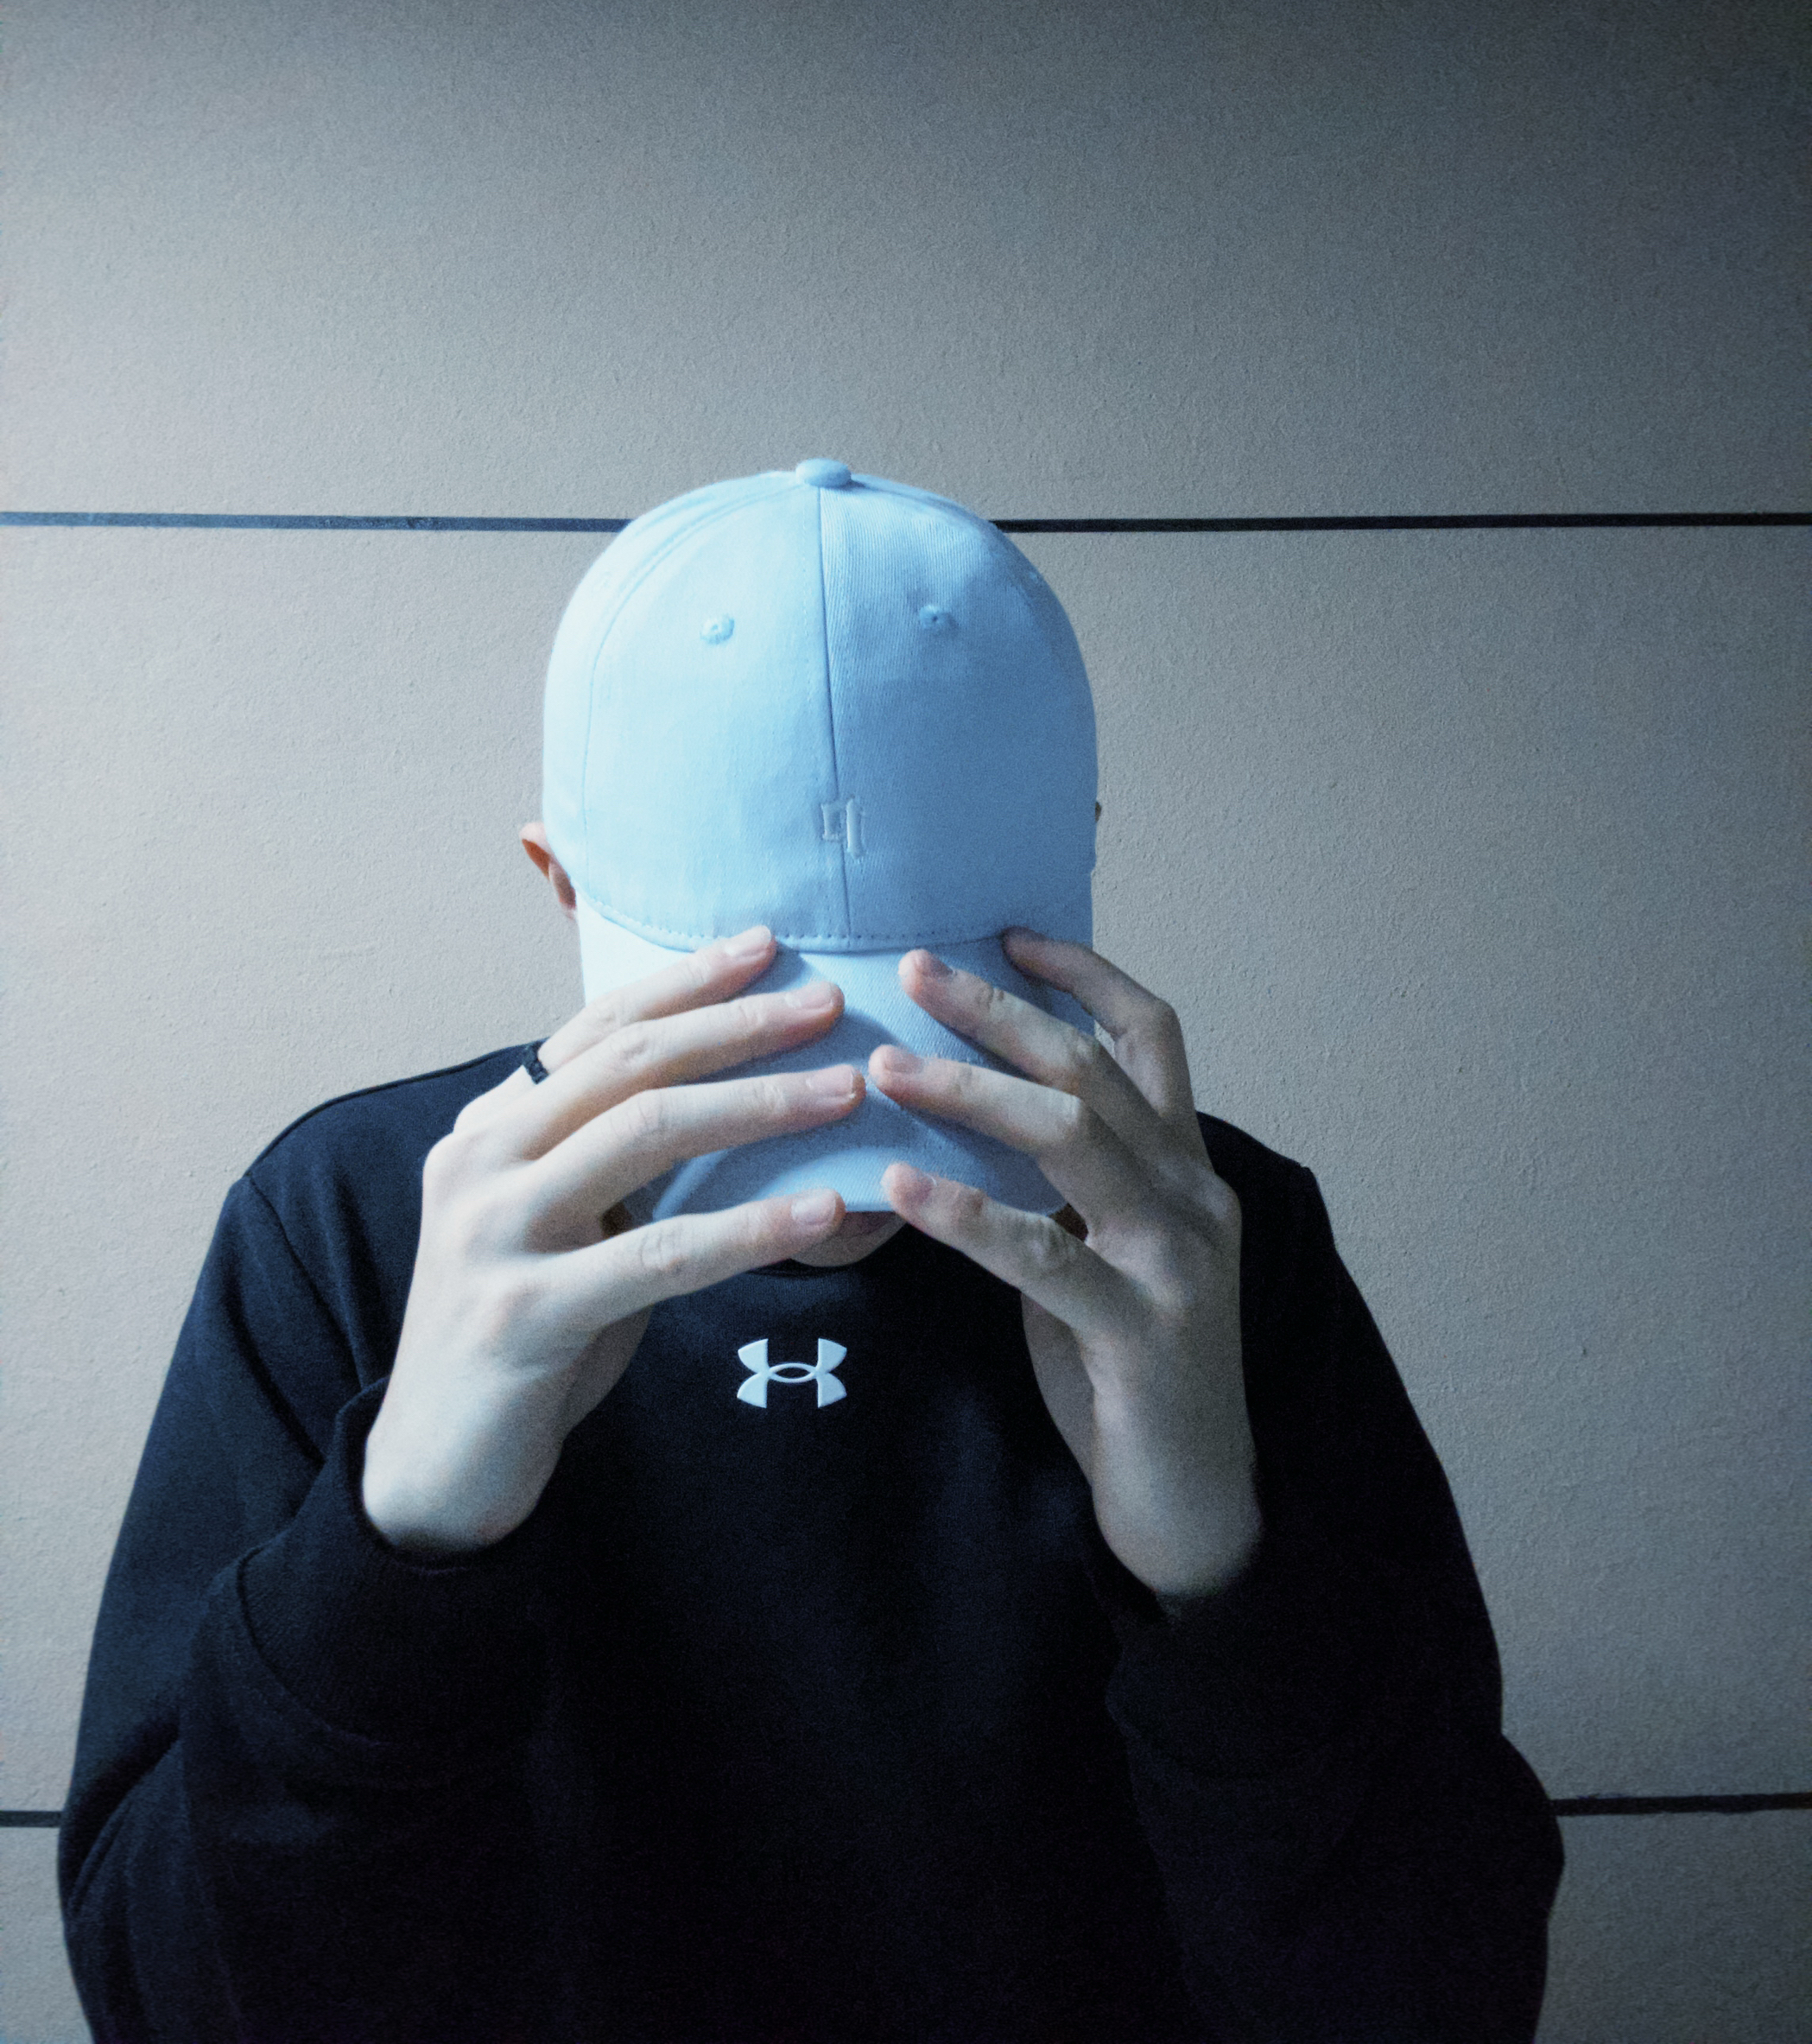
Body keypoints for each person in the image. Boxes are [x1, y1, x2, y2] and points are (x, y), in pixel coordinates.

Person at [60, 461, 1564, 2044]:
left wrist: (1216, 1572)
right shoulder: (361, 1222)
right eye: (762, 1032)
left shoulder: (1198, 1241)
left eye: (925, 1032)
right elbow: (168, 2003)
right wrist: (400, 1543)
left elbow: (1445, 1998)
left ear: (1086, 872)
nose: (845, 1134)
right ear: (554, 882)